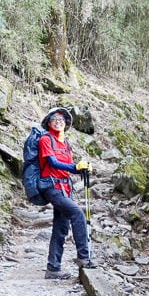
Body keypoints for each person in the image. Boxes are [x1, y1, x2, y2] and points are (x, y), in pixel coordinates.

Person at [38, 106, 95, 280]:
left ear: (66, 124)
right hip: (51, 186)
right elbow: (53, 163)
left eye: (62, 120)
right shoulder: (45, 139)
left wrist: (82, 169)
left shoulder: (65, 144)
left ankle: (53, 268)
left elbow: (69, 167)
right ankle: (83, 257)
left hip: (65, 187)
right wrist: (74, 167)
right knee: (77, 212)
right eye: (55, 119)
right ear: (49, 122)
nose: (58, 121)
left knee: (61, 227)